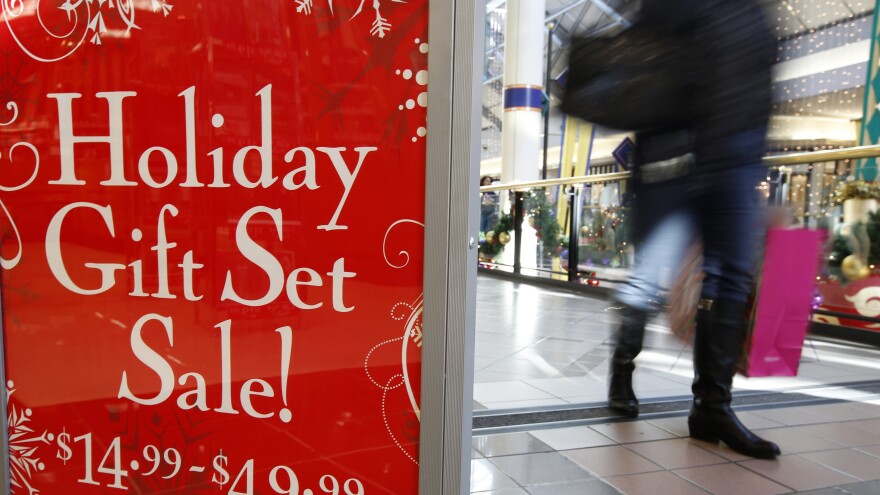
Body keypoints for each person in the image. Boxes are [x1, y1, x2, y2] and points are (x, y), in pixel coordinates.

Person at [607, 0, 781, 459]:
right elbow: (643, 61)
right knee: (650, 276)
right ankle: (621, 371)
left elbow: (762, 76)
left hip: (737, 158)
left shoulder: (756, 9)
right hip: (675, 156)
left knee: (732, 277)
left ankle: (712, 408)